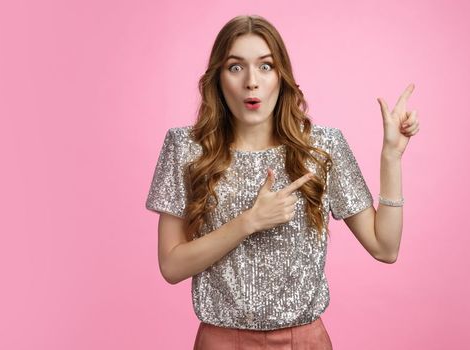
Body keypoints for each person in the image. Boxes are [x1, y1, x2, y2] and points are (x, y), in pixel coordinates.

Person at [145, 14, 420, 350]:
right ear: (218, 78)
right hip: (221, 342)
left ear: (282, 76)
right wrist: (249, 222)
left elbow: (385, 247)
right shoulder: (185, 148)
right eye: (235, 67)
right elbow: (171, 266)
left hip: (304, 342)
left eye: (265, 66)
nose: (251, 81)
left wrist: (391, 157)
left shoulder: (321, 148)